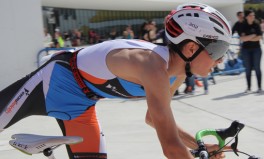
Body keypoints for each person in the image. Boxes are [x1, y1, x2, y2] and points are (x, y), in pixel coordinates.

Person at [0, 3, 231, 159]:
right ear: (191, 47)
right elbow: (170, 146)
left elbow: (154, 119)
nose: (221, 59)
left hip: (81, 105)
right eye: (219, 49)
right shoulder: (151, 66)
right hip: (52, 81)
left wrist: (199, 147)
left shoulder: (177, 73)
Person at [240, 10, 263, 93]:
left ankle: (259, 87)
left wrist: (248, 38)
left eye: (253, 15)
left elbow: (259, 37)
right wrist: (253, 35)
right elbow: (242, 39)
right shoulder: (243, 25)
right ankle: (249, 88)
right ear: (246, 17)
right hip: (246, 50)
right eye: (250, 15)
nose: (252, 16)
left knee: (257, 68)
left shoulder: (256, 24)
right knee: (248, 69)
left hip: (256, 49)